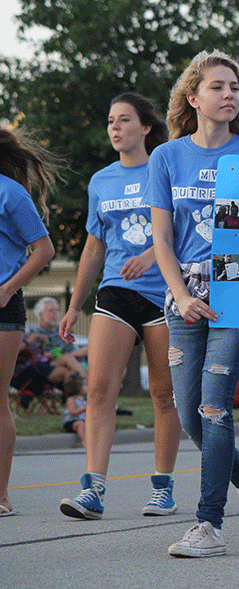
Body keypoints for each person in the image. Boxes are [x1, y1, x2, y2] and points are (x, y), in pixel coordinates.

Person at [147, 50, 239, 557]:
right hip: (183, 297)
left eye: (235, 88)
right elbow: (161, 239)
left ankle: (208, 526)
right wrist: (179, 296)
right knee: (190, 413)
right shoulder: (167, 158)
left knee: (215, 406)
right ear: (192, 98)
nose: (229, 95)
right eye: (218, 87)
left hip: (238, 291)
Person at [57, 92, 183, 521]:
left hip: (164, 291)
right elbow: (94, 247)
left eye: (124, 120)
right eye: (110, 120)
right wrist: (75, 305)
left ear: (146, 127)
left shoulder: (165, 165)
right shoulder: (101, 181)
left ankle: (163, 487)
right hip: (114, 291)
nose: (114, 127)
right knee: (98, 389)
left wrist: (152, 254)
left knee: (164, 395)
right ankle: (93, 488)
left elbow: (181, 227)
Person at [0, 128, 58, 517]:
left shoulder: (10, 192)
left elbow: (44, 249)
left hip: (3, 307)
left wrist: (7, 289)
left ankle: (0, 496)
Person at [61, 378, 88, 446]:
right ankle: (84, 441)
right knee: (80, 424)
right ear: (78, 388)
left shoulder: (85, 399)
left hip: (84, 420)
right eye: (85, 385)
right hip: (72, 422)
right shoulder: (71, 399)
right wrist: (84, 408)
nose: (87, 387)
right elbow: (72, 412)